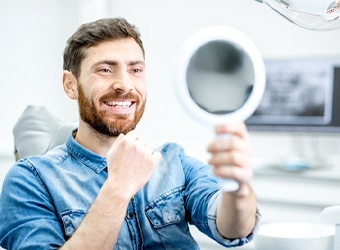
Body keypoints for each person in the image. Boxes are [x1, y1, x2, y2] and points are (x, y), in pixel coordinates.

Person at [0, 17, 260, 249]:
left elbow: (233, 229)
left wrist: (237, 188)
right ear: (70, 85)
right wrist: (118, 187)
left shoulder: (174, 161)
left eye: (135, 70)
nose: (125, 84)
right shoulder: (30, 180)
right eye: (105, 69)